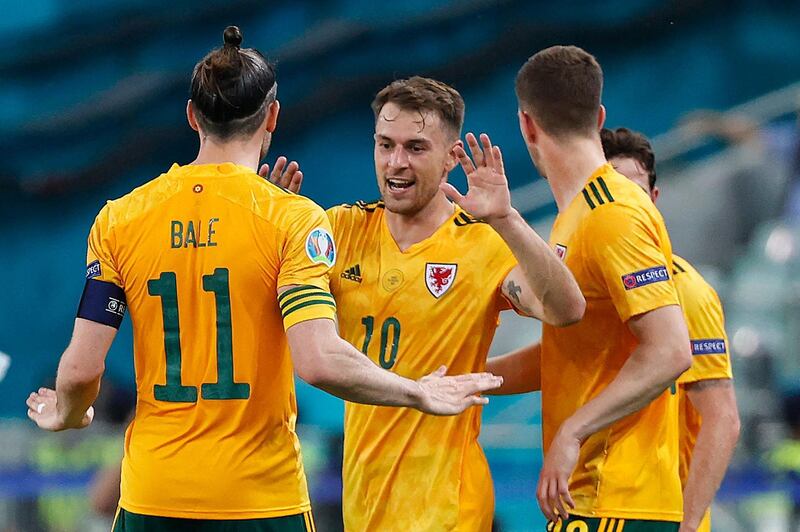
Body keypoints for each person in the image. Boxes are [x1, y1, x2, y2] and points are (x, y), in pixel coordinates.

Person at [25, 27, 502, 532]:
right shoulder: (293, 221)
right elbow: (319, 362)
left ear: (191, 116)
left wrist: (69, 414)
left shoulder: (119, 219)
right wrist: (416, 392)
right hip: (262, 500)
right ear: (272, 116)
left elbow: (79, 373)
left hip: (153, 496)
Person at [324, 76, 585, 531]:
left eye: (416, 148)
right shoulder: (341, 231)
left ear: (451, 158)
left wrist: (508, 220)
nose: (396, 162)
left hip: (447, 505)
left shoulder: (480, 242)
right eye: (385, 145)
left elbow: (567, 310)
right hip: (364, 502)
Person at [490, 127, 741, 532]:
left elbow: (722, 418)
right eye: (609, 186)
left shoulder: (684, 289)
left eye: (632, 189)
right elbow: (558, 358)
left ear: (653, 201)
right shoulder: (587, 274)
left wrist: (691, 524)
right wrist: (476, 377)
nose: (620, 200)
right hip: (585, 495)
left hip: (644, 506)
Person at [503, 46, 693, 530]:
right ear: (599, 115)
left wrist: (572, 432)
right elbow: (581, 351)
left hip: (617, 496)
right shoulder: (579, 215)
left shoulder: (613, 214)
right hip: (590, 499)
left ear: (527, 125)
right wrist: (471, 375)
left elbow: (671, 350)